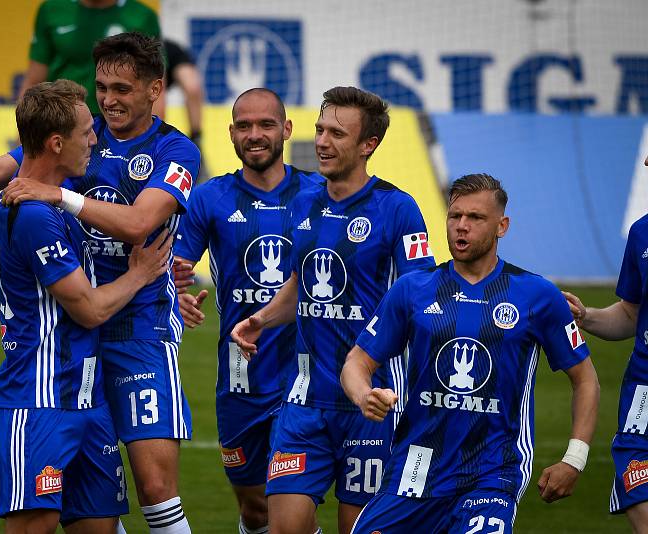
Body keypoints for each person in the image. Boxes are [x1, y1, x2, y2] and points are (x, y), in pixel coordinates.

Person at [0, 33, 200, 534]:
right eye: (102, 86)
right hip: (76, 334)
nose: (108, 100)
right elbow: (23, 156)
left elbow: (136, 225)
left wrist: (57, 195)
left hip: (139, 328)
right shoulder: (88, 131)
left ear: (155, 90)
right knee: (95, 499)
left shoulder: (176, 150)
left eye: (122, 89)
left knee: (154, 487)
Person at [342, 173, 600, 534]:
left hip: (493, 472)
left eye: (475, 218)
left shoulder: (538, 295)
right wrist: (364, 394)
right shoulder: (412, 289)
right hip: (415, 465)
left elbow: (585, 378)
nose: (462, 227)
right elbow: (357, 361)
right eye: (455, 216)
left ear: (502, 226)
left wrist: (574, 459)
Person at [231, 86, 436, 534]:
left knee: (359, 529)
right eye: (320, 129)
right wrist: (261, 319)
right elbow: (300, 284)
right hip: (305, 398)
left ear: (368, 145)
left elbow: (422, 298)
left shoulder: (397, 208)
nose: (322, 141)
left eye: (337, 134)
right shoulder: (304, 202)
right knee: (284, 526)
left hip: (373, 402)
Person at [0, 79, 170, 533]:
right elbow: (88, 309)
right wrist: (140, 274)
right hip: (39, 397)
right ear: (56, 143)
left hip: (86, 401)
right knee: (35, 525)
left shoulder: (51, 202)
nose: (95, 140)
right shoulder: (31, 214)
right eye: (86, 132)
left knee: (100, 527)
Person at [173, 87, 321, 534]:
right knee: (255, 510)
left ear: (286, 130)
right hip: (240, 374)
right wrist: (174, 291)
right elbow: (174, 267)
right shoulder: (209, 198)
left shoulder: (320, 193)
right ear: (232, 133)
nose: (255, 135)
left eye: (266, 125)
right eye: (245, 126)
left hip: (306, 376)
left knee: (288, 510)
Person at [564, 155, 648, 533]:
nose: (646, 162)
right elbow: (632, 313)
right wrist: (587, 316)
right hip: (643, 389)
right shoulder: (642, 233)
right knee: (634, 477)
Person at [21, 0, 161, 111]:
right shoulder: (51, 10)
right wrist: (24, 135)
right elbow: (34, 82)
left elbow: (155, 86)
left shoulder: (143, 16)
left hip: (118, 123)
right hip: (63, 124)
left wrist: (153, 139)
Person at [163, 40, 204, 150]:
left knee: (192, 87)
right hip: (133, 50)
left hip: (158, 46)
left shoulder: (171, 48)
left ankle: (196, 142)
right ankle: (154, 143)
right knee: (155, 89)